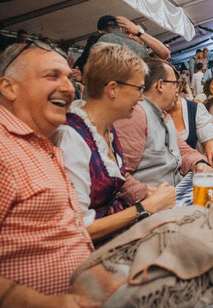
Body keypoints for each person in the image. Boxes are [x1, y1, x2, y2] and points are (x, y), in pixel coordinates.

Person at [0, 41, 99, 308]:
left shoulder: (40, 142)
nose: (69, 88)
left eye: (69, 78)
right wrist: (32, 303)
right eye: (52, 76)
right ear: (8, 87)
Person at [52, 44, 176, 243]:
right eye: (139, 89)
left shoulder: (106, 127)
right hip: (95, 249)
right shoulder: (72, 137)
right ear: (112, 89)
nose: (141, 98)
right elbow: (79, 228)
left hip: (118, 236)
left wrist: (149, 193)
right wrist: (145, 207)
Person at [115, 58, 213, 188]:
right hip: (157, 198)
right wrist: (147, 195)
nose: (177, 90)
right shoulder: (136, 114)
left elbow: (184, 151)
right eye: (175, 84)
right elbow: (120, 174)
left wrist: (199, 163)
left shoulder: (163, 115)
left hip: (175, 191)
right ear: (160, 85)